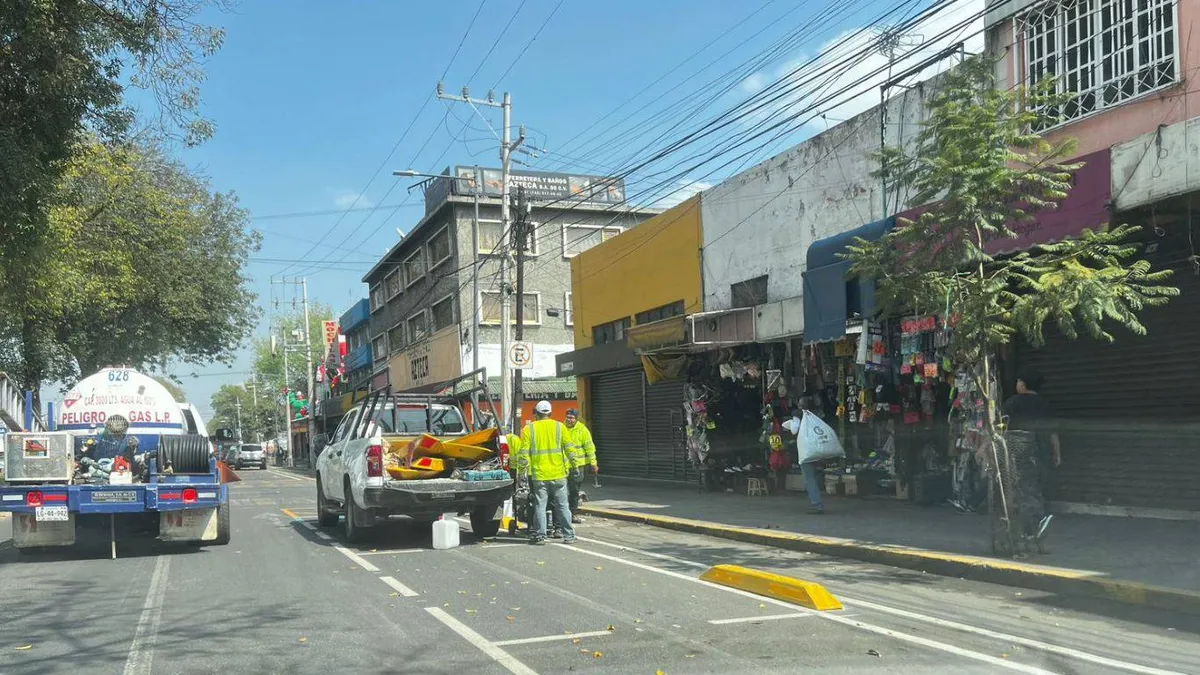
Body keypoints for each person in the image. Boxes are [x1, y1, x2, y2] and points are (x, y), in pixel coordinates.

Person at [1002, 366, 1061, 542]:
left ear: (1024, 384)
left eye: (1019, 381)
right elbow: (1052, 432)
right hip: (1042, 451)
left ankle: (1036, 523)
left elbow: (1002, 428)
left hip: (1019, 449)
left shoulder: (1012, 403)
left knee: (1023, 488)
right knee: (1036, 486)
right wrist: (1057, 453)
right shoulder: (1045, 404)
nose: (1017, 384)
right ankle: (1034, 525)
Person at [517, 400, 576, 545]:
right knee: (563, 506)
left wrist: (521, 472)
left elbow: (523, 454)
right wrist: (575, 466)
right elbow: (570, 449)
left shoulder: (529, 429)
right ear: (550, 413)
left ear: (536, 413)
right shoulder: (559, 427)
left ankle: (540, 536)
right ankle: (568, 535)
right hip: (559, 474)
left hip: (539, 475)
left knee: (540, 506)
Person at [782, 399, 824, 515]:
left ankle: (817, 504)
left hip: (805, 449)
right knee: (814, 475)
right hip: (818, 447)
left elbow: (795, 430)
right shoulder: (815, 414)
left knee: (809, 478)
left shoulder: (798, 414)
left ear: (800, 405)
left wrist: (789, 424)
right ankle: (817, 500)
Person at [563, 408, 598, 523]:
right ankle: (562, 514)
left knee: (573, 491)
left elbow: (589, 447)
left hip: (576, 467)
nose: (569, 420)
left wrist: (593, 463)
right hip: (562, 467)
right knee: (561, 492)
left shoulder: (582, 430)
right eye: (567, 417)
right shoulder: (561, 428)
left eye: (572, 418)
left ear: (576, 419)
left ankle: (572, 514)